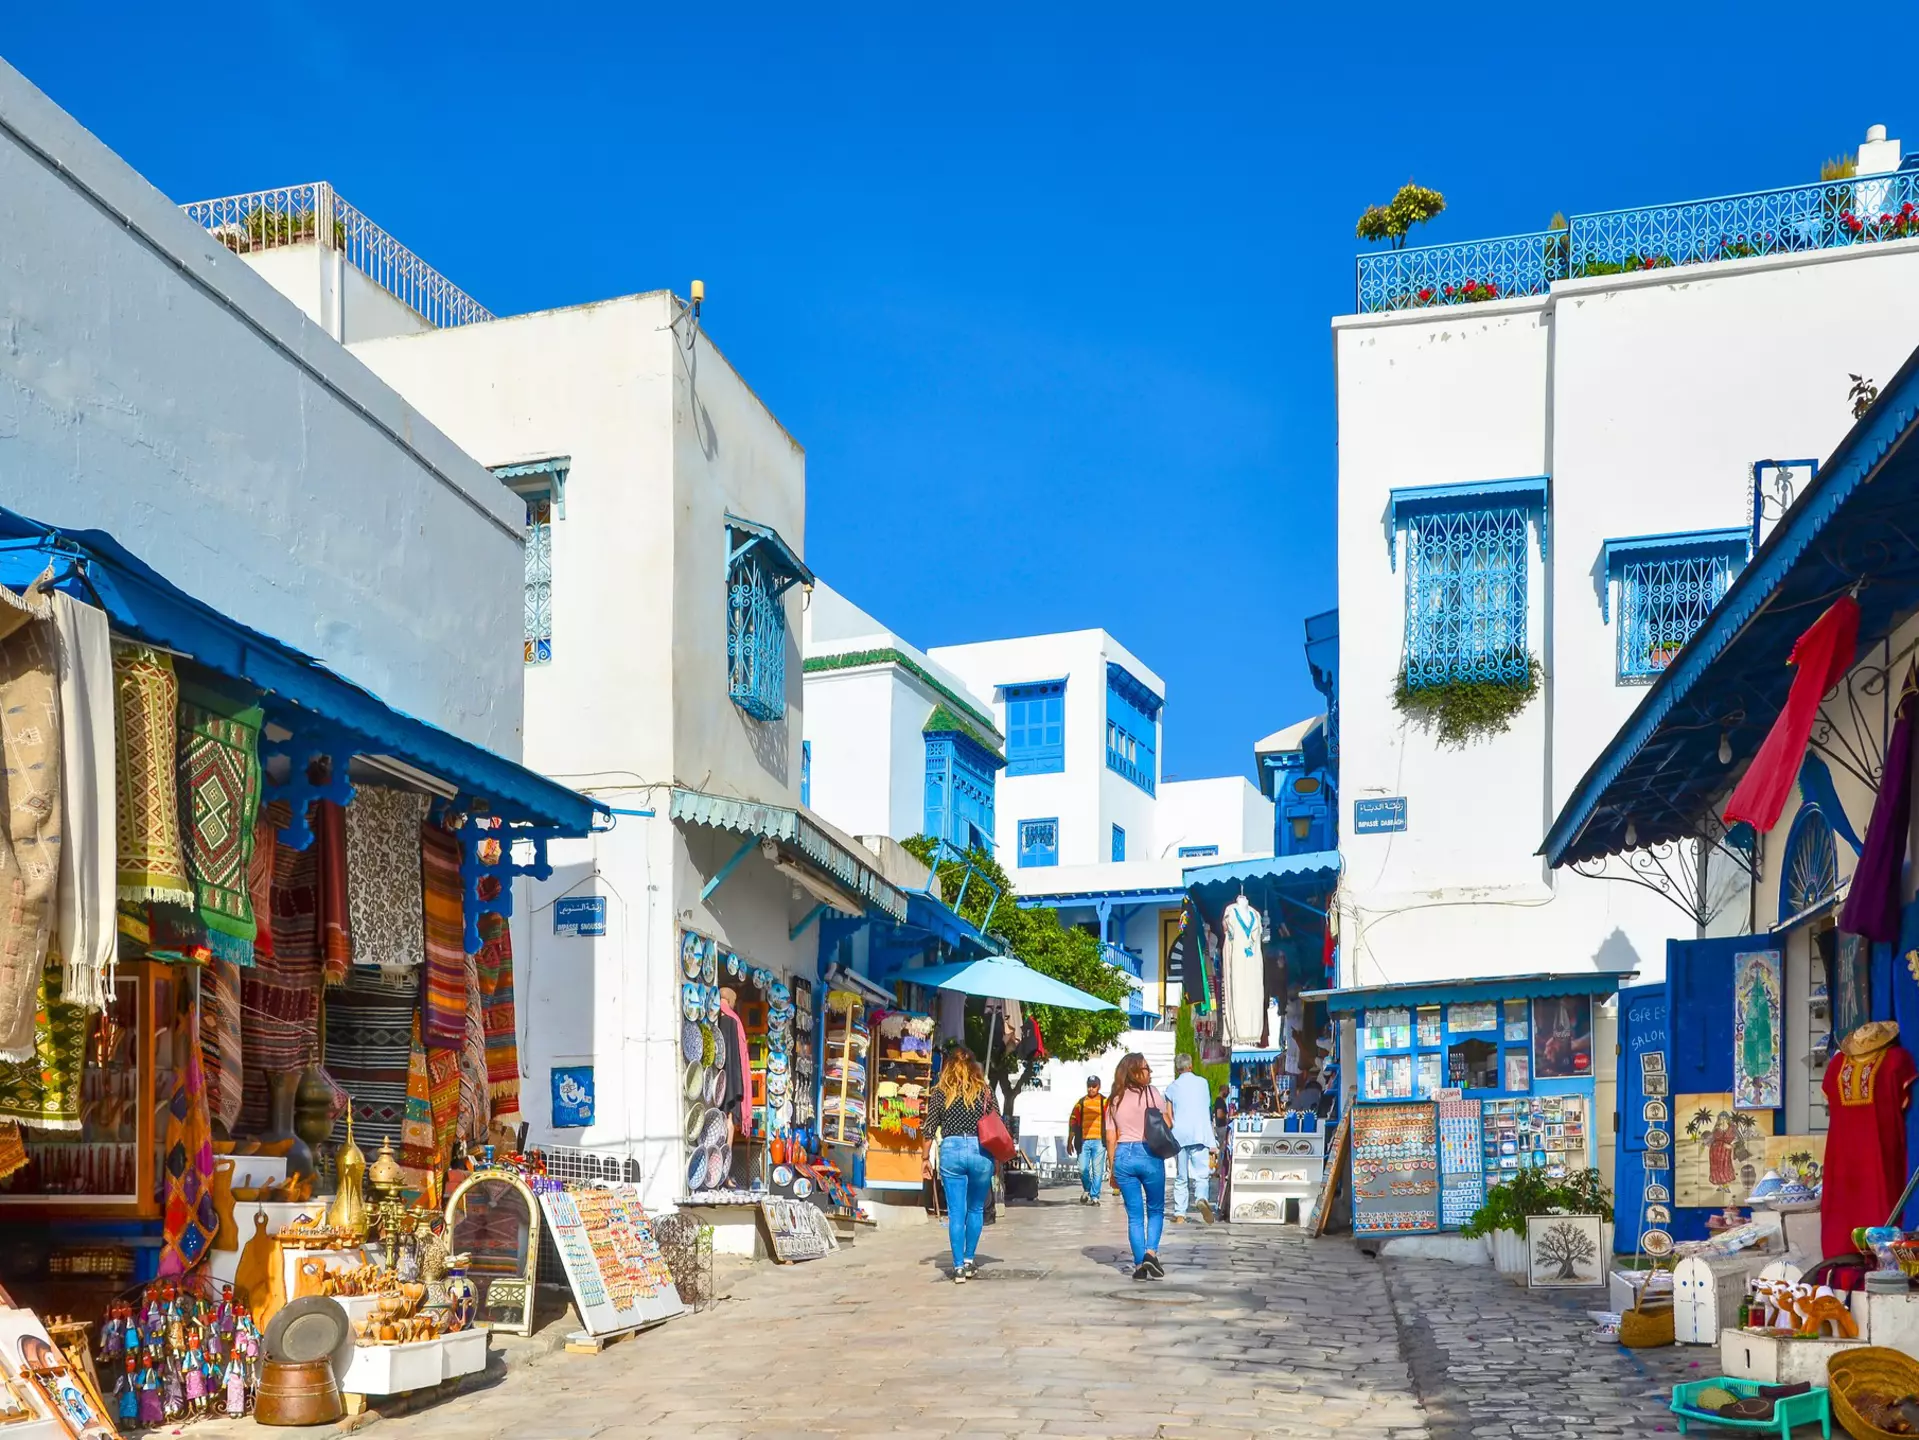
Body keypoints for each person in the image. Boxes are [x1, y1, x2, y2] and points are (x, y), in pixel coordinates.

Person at [920, 1046, 998, 1282]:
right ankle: (968, 1259)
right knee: (975, 1209)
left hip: (952, 1150)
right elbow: (996, 1122)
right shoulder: (985, 1091)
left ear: (948, 1067)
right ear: (974, 1066)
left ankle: (958, 1268)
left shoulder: (941, 1092)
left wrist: (925, 1158)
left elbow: (929, 1129)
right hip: (980, 1151)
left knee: (956, 1212)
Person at [1104, 1052, 1173, 1280]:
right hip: (1149, 1153)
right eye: (1146, 1068)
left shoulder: (1114, 1099)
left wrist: (1113, 1168)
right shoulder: (1152, 1094)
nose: (1149, 1072)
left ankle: (1138, 1266)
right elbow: (1168, 1124)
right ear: (1135, 1071)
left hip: (1123, 1155)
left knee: (1134, 1215)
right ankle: (1150, 1253)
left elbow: (1111, 1137)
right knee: (1155, 1209)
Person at [1164, 1053, 1216, 1223]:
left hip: (1180, 1136)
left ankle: (1180, 1213)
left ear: (1177, 1068)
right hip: (1200, 1133)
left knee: (1181, 1176)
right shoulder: (1203, 1083)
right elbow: (1206, 1107)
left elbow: (1169, 1115)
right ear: (1191, 1066)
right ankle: (1201, 1198)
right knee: (1201, 1175)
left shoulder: (1172, 1087)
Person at [1067, 1077, 1107, 1205]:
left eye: (1094, 1086)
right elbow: (1073, 1121)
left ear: (1099, 1087)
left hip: (1099, 1142)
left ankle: (1095, 1196)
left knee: (1097, 1170)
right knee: (1082, 1168)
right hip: (1083, 1141)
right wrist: (1070, 1140)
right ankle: (1088, 1188)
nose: (1091, 1088)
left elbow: (1111, 1120)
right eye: (1089, 1086)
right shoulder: (1081, 1103)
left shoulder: (1104, 1102)